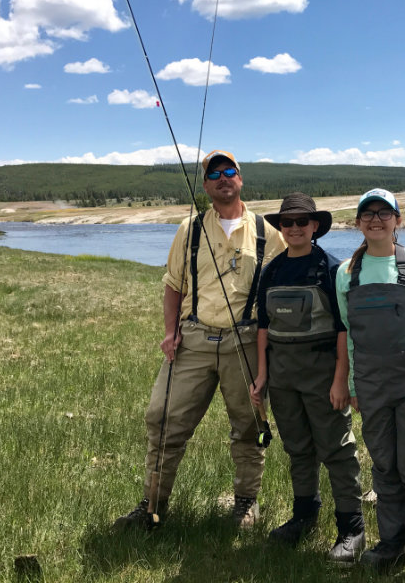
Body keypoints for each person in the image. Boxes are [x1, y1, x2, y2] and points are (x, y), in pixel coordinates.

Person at [113, 150, 286, 531]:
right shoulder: (188, 229)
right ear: (206, 185)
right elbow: (173, 285)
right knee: (162, 419)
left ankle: (245, 503)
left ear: (240, 179)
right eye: (214, 173)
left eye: (230, 171)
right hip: (192, 338)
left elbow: (282, 291)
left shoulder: (267, 233)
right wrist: (170, 332)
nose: (223, 178)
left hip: (245, 341)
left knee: (249, 425)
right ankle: (152, 506)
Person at [335, 188, 405, 582]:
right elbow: (349, 334)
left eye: (385, 213)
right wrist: (351, 383)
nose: (376, 219)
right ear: (358, 223)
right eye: (368, 213)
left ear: (398, 222)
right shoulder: (346, 274)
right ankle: (391, 542)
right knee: (384, 465)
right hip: (371, 385)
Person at [250, 192, 365, 564]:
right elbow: (263, 328)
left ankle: (352, 528)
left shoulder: (333, 269)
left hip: (322, 374)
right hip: (281, 377)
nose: (295, 228)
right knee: (297, 448)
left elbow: (345, 329)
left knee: (337, 450)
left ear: (316, 226)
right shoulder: (271, 271)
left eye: (303, 222)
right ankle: (304, 515)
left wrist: (340, 381)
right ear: (280, 228)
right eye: (288, 222)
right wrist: (261, 377)